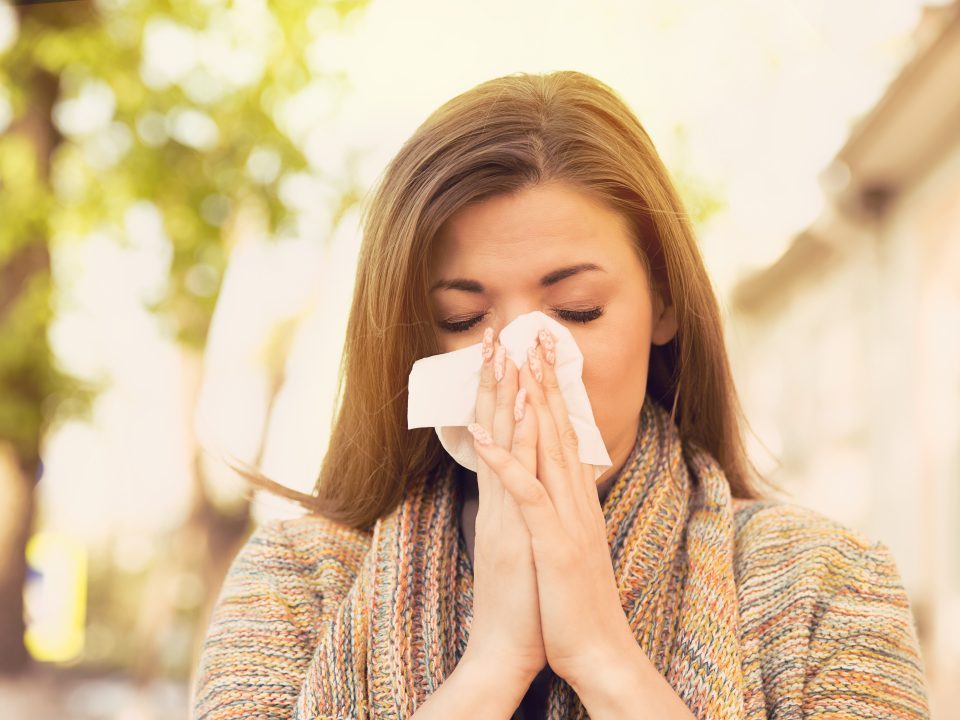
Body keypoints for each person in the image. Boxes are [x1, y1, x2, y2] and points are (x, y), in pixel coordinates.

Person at [190, 71, 930, 720]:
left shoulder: (827, 588)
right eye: (462, 318)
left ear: (663, 307)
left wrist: (608, 660)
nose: (521, 364)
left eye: (575, 309)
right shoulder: (295, 584)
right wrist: (491, 669)